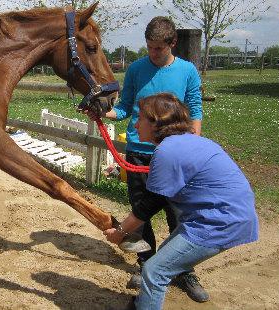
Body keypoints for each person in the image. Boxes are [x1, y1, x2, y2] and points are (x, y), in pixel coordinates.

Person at [86, 16, 205, 301]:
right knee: (141, 213)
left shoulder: (187, 71)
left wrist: (193, 145)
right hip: (139, 152)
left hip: (174, 154)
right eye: (149, 47)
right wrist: (103, 113)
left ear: (171, 43)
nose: (152, 54)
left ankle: (183, 269)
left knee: (178, 214)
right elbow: (125, 107)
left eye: (158, 49)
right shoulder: (137, 69)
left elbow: (195, 110)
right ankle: (145, 262)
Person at [103, 93, 259, 310]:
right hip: (229, 214)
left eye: (140, 119)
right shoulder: (188, 142)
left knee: (154, 271)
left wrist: (120, 231)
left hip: (219, 222)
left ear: (156, 122)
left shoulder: (168, 151)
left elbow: (150, 203)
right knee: (166, 256)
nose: (136, 125)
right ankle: (142, 303)